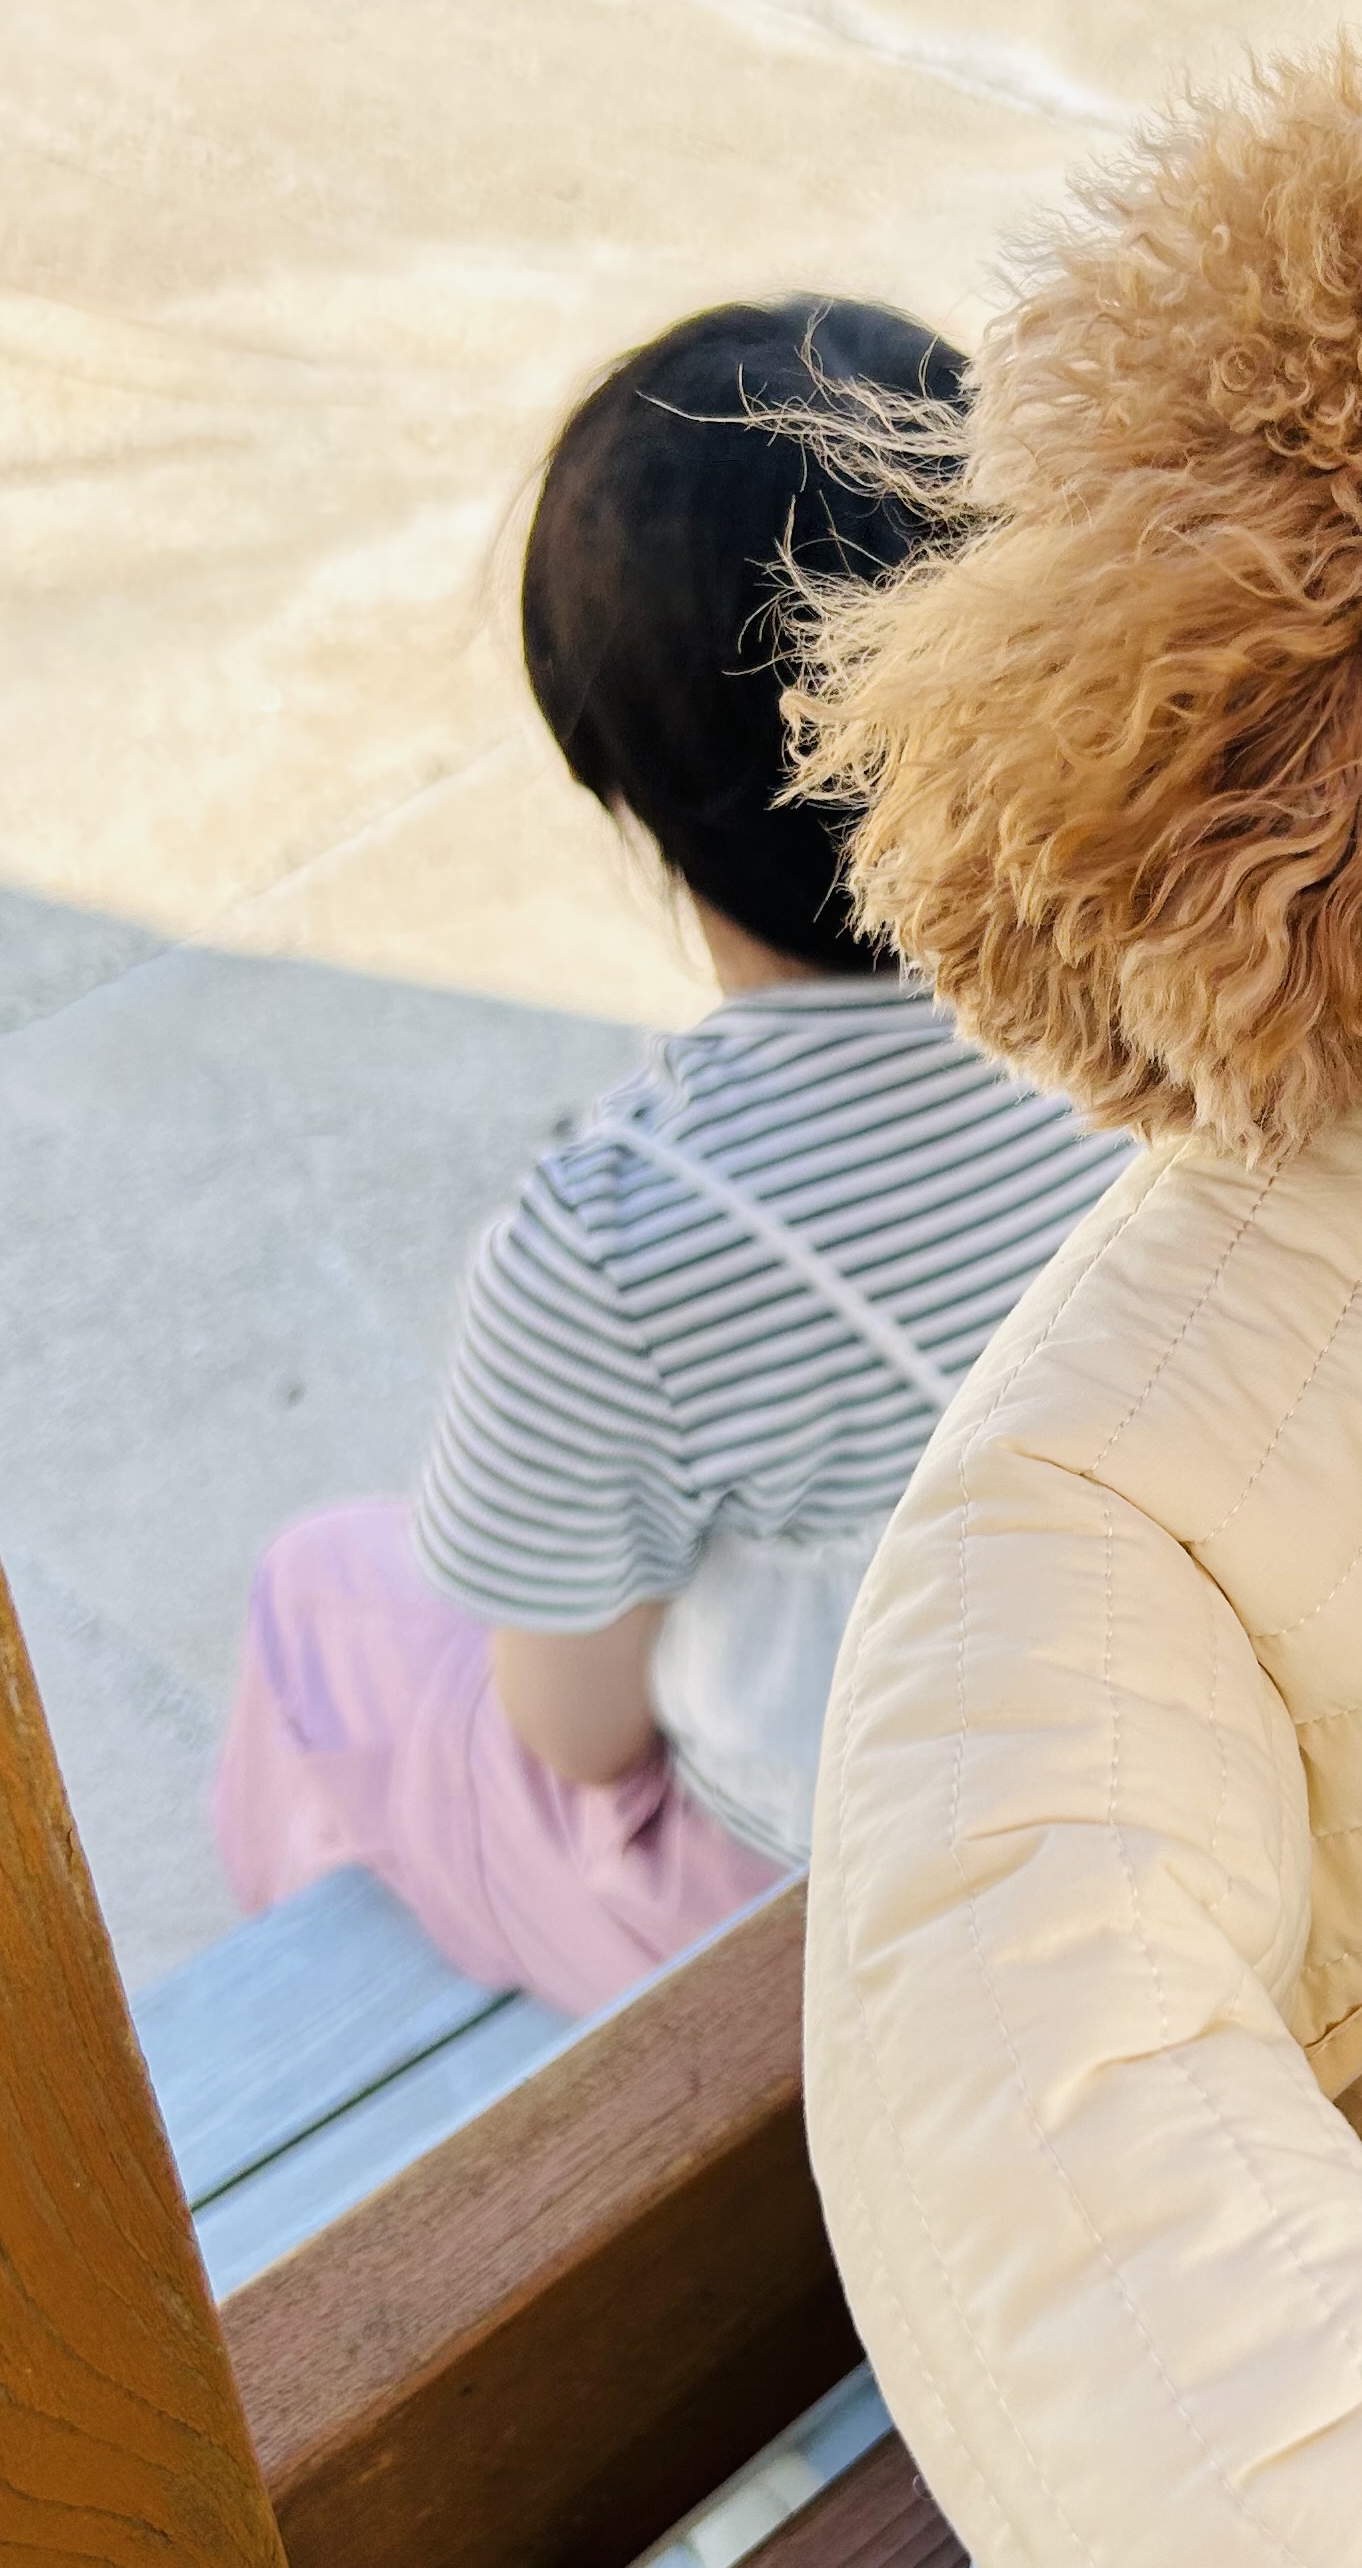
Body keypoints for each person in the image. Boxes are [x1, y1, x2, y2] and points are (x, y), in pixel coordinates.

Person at [214, 298, 1129, 2014]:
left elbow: (578, 1729)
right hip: (1162, 1745)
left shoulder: (620, 1237)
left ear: (612, 774)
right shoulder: (1192, 999)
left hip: (839, 1906)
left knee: (319, 1592)